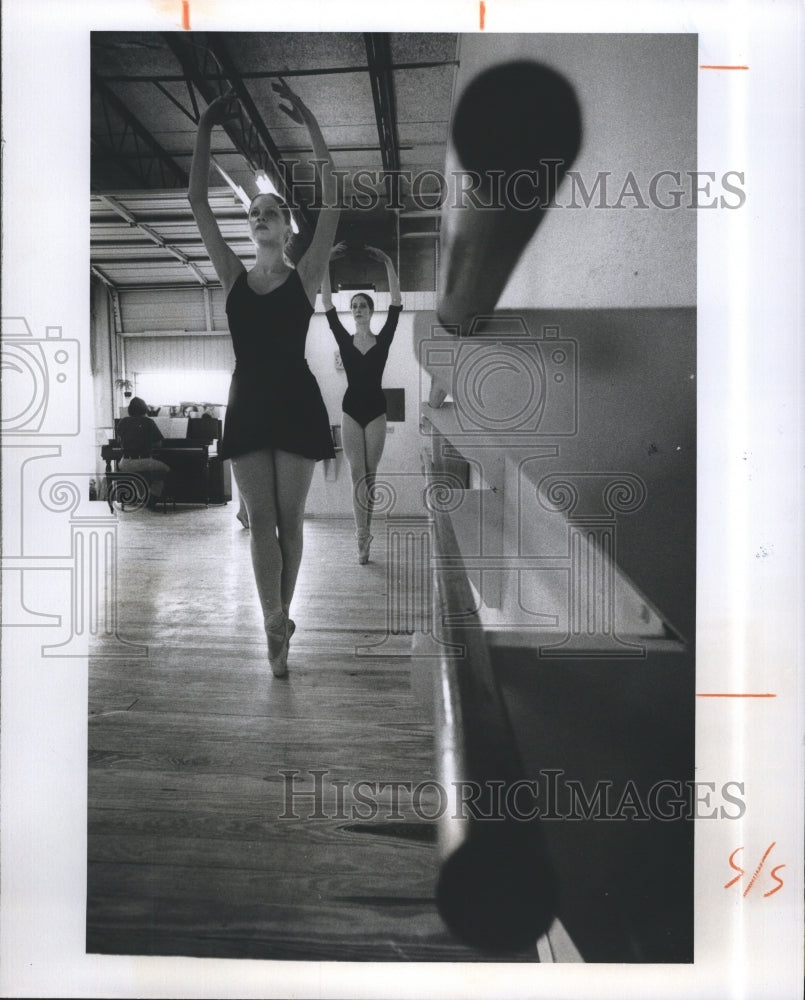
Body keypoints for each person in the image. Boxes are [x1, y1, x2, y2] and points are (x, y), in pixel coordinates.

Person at [188, 80, 339, 677]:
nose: (257, 219)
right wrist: (203, 129)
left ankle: (283, 617)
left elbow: (333, 206)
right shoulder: (232, 278)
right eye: (252, 214)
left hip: (296, 401)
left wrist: (310, 127)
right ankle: (274, 625)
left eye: (268, 213)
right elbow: (199, 201)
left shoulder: (305, 277)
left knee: (291, 522)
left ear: (284, 227)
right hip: (249, 401)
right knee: (261, 522)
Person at [321, 244, 402, 563]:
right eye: (353, 306)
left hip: (377, 411)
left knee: (371, 475)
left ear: (370, 311)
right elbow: (327, 304)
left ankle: (367, 531)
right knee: (357, 474)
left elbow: (396, 303)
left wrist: (389, 264)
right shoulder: (344, 338)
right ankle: (361, 537)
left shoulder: (382, 340)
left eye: (362, 306)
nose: (357, 310)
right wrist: (326, 263)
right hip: (351, 410)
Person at [116, 396, 170, 509]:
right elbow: (158, 444)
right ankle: (152, 497)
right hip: (142, 460)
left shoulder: (123, 421)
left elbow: (119, 441)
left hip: (124, 462)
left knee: (137, 473)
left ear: (130, 409)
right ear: (144, 409)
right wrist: (146, 444)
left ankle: (143, 496)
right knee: (166, 470)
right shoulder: (149, 422)